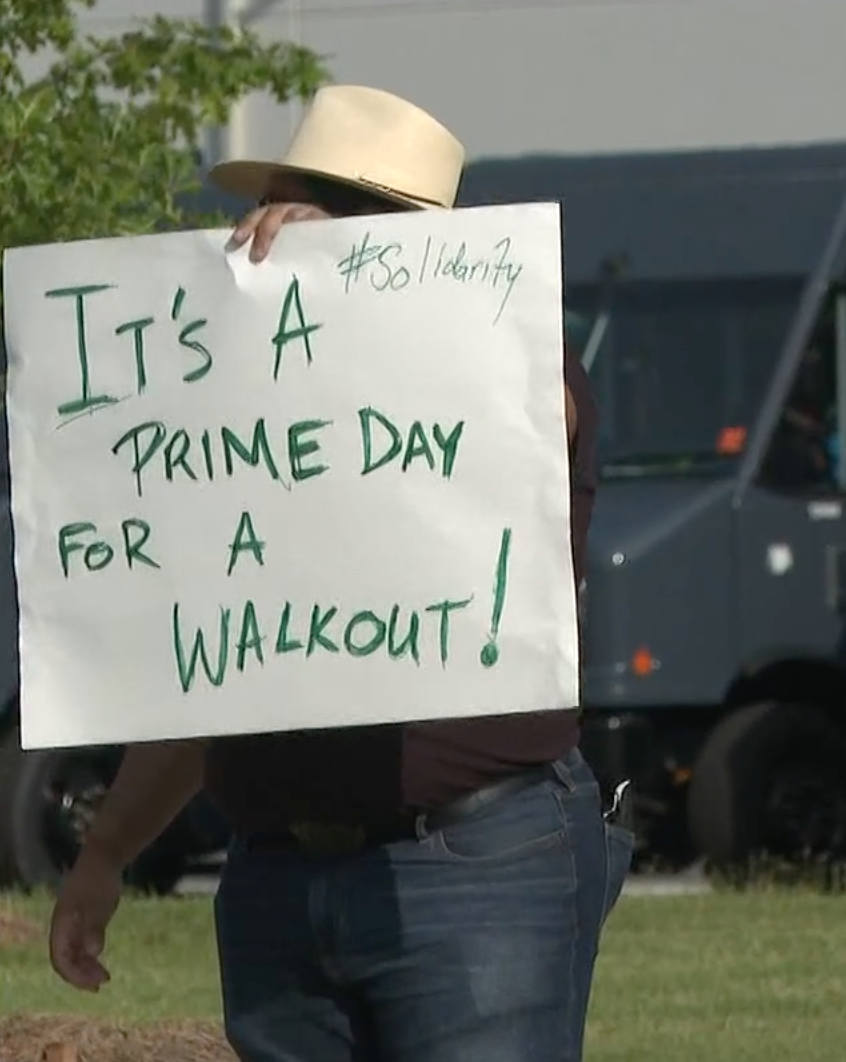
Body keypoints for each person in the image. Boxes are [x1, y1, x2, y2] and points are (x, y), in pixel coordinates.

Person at [46, 85, 631, 1062]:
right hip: (276, 876)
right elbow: (219, 667)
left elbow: (526, 414)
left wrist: (362, 285)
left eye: (307, 207)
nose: (264, 230)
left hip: (473, 862)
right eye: (273, 204)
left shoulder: (510, 361)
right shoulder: (259, 424)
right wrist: (104, 855)